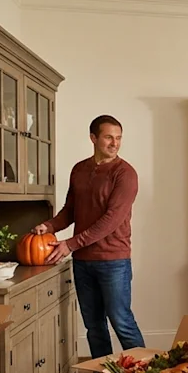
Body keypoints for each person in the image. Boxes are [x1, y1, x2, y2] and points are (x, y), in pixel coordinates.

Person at [33, 114, 144, 359]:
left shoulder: (125, 174)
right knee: (94, 328)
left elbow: (111, 220)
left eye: (118, 138)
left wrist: (70, 244)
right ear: (93, 138)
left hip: (113, 261)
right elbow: (70, 211)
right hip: (83, 262)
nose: (114, 143)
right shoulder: (80, 169)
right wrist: (49, 226)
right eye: (108, 137)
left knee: (122, 322)